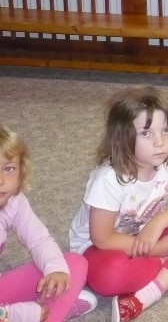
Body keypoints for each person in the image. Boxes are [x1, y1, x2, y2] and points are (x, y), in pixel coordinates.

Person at [68, 87, 168, 322]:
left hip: (148, 232)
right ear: (123, 136)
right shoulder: (108, 178)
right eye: (146, 133)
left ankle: (150, 292)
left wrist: (158, 222)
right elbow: (103, 238)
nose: (160, 142)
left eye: (167, 129)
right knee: (109, 278)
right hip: (100, 247)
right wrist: (158, 250)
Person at [0, 126, 96, 322]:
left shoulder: (14, 200)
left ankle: (52, 310)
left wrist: (56, 270)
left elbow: (39, 240)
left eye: (8, 168)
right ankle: (57, 309)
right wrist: (18, 314)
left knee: (73, 263)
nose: (1, 180)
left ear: (21, 171)